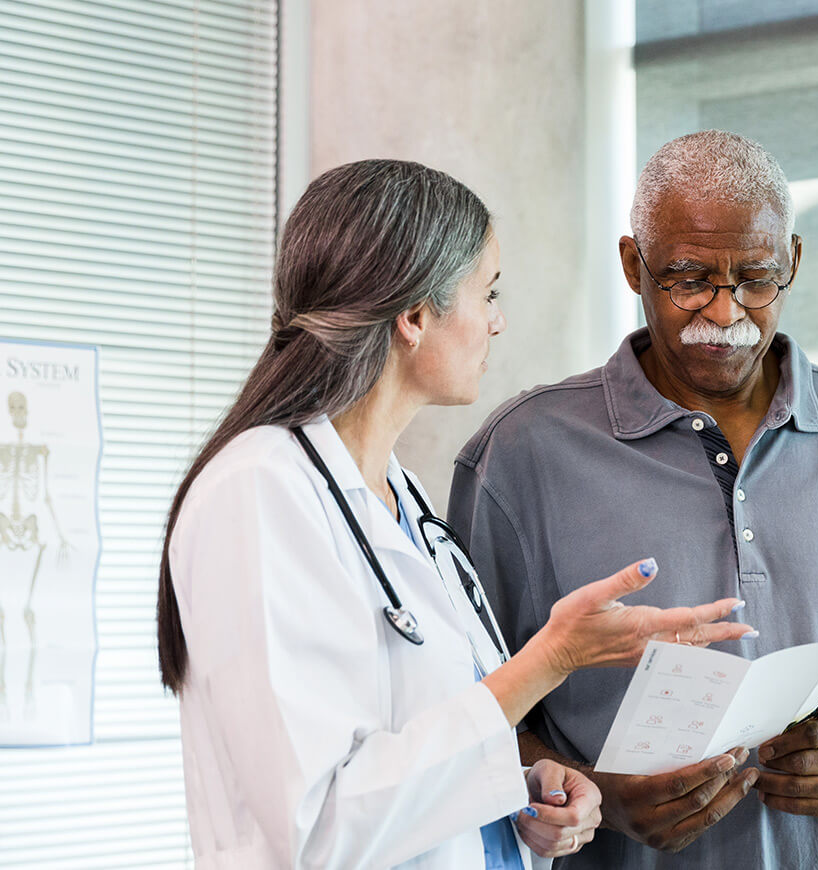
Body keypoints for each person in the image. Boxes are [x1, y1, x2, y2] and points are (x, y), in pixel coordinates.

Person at [155, 159, 754, 870]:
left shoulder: (399, 497)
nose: (497, 323)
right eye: (487, 293)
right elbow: (314, 829)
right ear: (412, 316)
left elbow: (407, 756)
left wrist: (520, 793)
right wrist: (551, 659)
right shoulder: (259, 489)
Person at [448, 131, 818, 869]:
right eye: (687, 278)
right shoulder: (521, 453)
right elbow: (462, 720)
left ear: (793, 262)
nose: (724, 309)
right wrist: (602, 797)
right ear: (632, 265)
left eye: (757, 279)